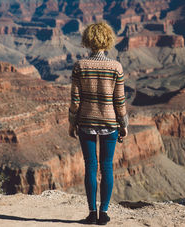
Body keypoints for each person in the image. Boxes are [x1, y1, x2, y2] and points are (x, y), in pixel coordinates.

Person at [68, 22, 128, 225]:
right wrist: (124, 124)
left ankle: (91, 213)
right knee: (107, 166)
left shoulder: (80, 66)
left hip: (85, 122)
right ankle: (104, 213)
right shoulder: (116, 67)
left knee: (90, 166)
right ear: (108, 40)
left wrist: (71, 122)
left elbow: (75, 100)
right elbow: (120, 101)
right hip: (110, 124)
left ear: (88, 40)